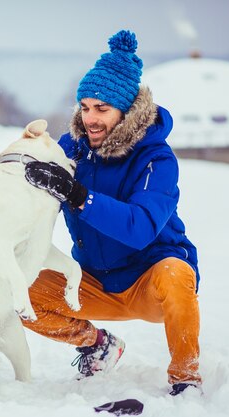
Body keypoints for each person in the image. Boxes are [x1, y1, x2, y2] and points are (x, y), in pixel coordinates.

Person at [22, 30, 201, 396]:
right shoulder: (74, 147)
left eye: (102, 109)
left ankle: (186, 377)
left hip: (149, 283)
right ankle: (96, 343)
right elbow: (39, 182)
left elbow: (140, 226)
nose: (90, 118)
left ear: (126, 110)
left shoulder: (157, 159)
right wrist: (11, 175)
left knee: (176, 273)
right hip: (93, 280)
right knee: (18, 292)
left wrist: (79, 196)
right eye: (85, 107)